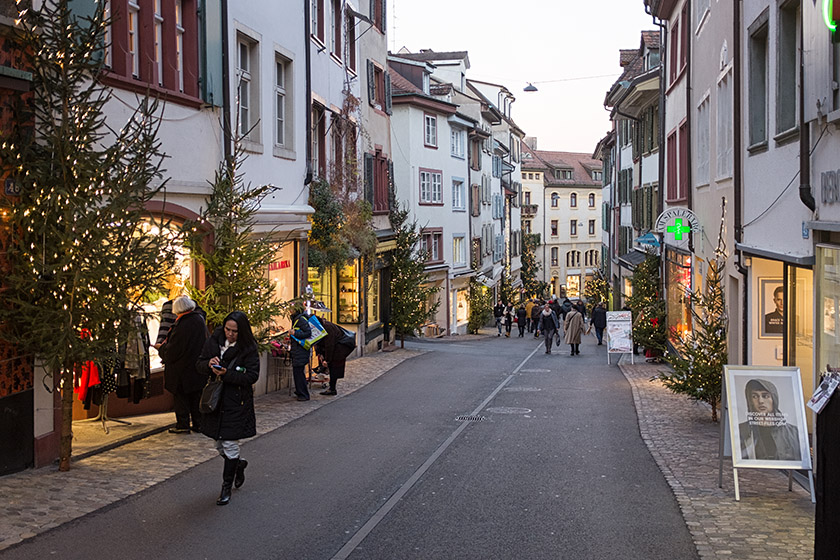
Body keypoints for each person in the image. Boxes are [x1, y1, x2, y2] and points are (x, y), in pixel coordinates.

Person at [197, 311, 260, 506]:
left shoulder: (248, 348)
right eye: (227, 330)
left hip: (237, 402)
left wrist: (227, 374)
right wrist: (208, 364)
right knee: (218, 444)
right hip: (215, 401)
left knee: (230, 443)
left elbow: (251, 376)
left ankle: (226, 487)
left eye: (234, 331)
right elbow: (198, 364)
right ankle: (238, 465)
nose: (230, 334)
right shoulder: (214, 342)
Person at [159, 296, 209, 434]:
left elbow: (174, 349)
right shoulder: (198, 319)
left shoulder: (183, 324)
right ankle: (198, 424)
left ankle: (183, 424)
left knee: (181, 397)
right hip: (195, 367)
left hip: (182, 369)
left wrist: (161, 349)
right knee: (195, 396)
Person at [739, 378, 801, 461]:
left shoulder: (793, 432)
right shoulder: (741, 430)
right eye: (755, 396)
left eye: (765, 396)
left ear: (773, 399)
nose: (760, 401)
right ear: (750, 401)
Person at [314, 319, 354, 396]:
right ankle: (332, 388)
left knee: (334, 368)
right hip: (335, 349)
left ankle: (332, 389)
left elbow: (330, 345)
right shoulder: (323, 327)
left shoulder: (328, 328)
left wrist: (327, 360)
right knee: (333, 368)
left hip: (339, 349)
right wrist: (320, 354)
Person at [289, 308, 312, 401]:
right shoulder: (297, 319)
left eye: (291, 308)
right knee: (298, 372)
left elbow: (308, 333)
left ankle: (303, 394)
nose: (290, 310)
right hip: (298, 350)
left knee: (298, 373)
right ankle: (300, 391)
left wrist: (295, 333)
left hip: (300, 351)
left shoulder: (300, 319)